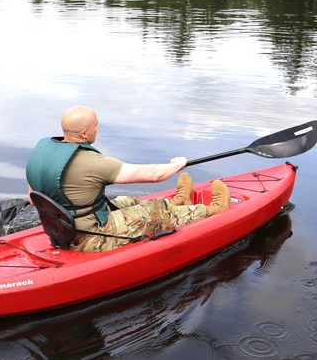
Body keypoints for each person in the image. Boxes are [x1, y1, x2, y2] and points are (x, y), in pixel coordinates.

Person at [26, 105, 230, 253]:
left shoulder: (41, 153)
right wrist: (177, 164)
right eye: (96, 126)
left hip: (63, 229)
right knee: (156, 209)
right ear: (84, 133)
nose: (98, 128)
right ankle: (213, 210)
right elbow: (154, 175)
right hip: (91, 237)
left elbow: (32, 197)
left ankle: (179, 204)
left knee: (128, 201)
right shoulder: (93, 162)